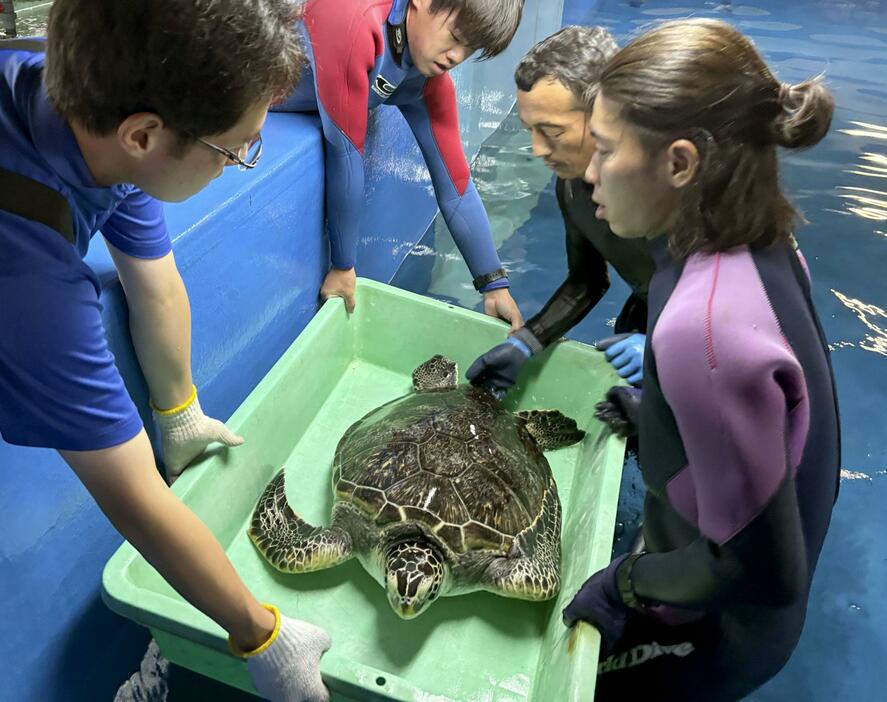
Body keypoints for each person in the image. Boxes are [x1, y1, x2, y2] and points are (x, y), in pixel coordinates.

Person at [0, 2, 330, 699]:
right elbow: (133, 498)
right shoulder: (29, 277)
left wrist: (178, 411)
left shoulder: (86, 104)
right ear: (145, 136)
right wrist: (263, 638)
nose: (241, 162)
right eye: (235, 148)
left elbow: (154, 276)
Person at [560, 19, 841, 701]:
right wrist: (658, 419)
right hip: (716, 595)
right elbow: (785, 443)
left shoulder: (700, 329)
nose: (587, 173)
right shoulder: (762, 245)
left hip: (704, 636)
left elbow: (762, 573)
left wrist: (624, 583)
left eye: (602, 148)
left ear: (680, 163)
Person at [276, 0, 524, 329]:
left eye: (470, 48)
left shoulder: (425, 77)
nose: (457, 57)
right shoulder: (355, 18)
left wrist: (494, 286)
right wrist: (343, 266)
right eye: (456, 36)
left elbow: (456, 189)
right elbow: (345, 150)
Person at [466, 26, 653, 397]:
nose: (537, 149)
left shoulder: (667, 188)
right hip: (652, 310)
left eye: (551, 131)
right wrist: (526, 342)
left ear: (606, 115)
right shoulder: (571, 186)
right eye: (530, 131)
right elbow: (587, 280)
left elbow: (751, 308)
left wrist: (670, 352)